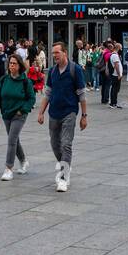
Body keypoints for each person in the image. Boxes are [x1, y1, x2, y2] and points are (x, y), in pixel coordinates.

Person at [37, 42, 87, 193]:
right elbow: (48, 93)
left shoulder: (75, 69)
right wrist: (41, 112)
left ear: (65, 52)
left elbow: (82, 94)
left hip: (69, 112)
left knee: (66, 144)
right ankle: (65, 165)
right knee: (54, 144)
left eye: (57, 53)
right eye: (52, 53)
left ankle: (64, 178)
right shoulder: (52, 71)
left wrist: (84, 116)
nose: (54, 56)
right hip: (54, 113)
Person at [0, 53, 36, 181]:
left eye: (14, 63)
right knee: (15, 140)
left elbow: (31, 98)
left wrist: (23, 110)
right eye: (10, 63)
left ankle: (8, 168)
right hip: (6, 114)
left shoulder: (25, 81)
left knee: (11, 140)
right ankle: (23, 161)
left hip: (19, 115)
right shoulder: (4, 79)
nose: (11, 65)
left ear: (19, 65)